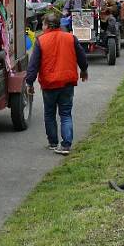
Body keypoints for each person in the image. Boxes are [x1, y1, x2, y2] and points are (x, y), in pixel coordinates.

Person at [25, 13, 88, 156]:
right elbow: (81, 56)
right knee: (66, 114)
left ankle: (53, 143)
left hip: (49, 83)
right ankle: (66, 145)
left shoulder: (41, 40)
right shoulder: (70, 38)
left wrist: (29, 82)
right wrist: (84, 70)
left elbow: (33, 65)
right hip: (67, 81)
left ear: (47, 25)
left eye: (43, 24)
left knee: (49, 114)